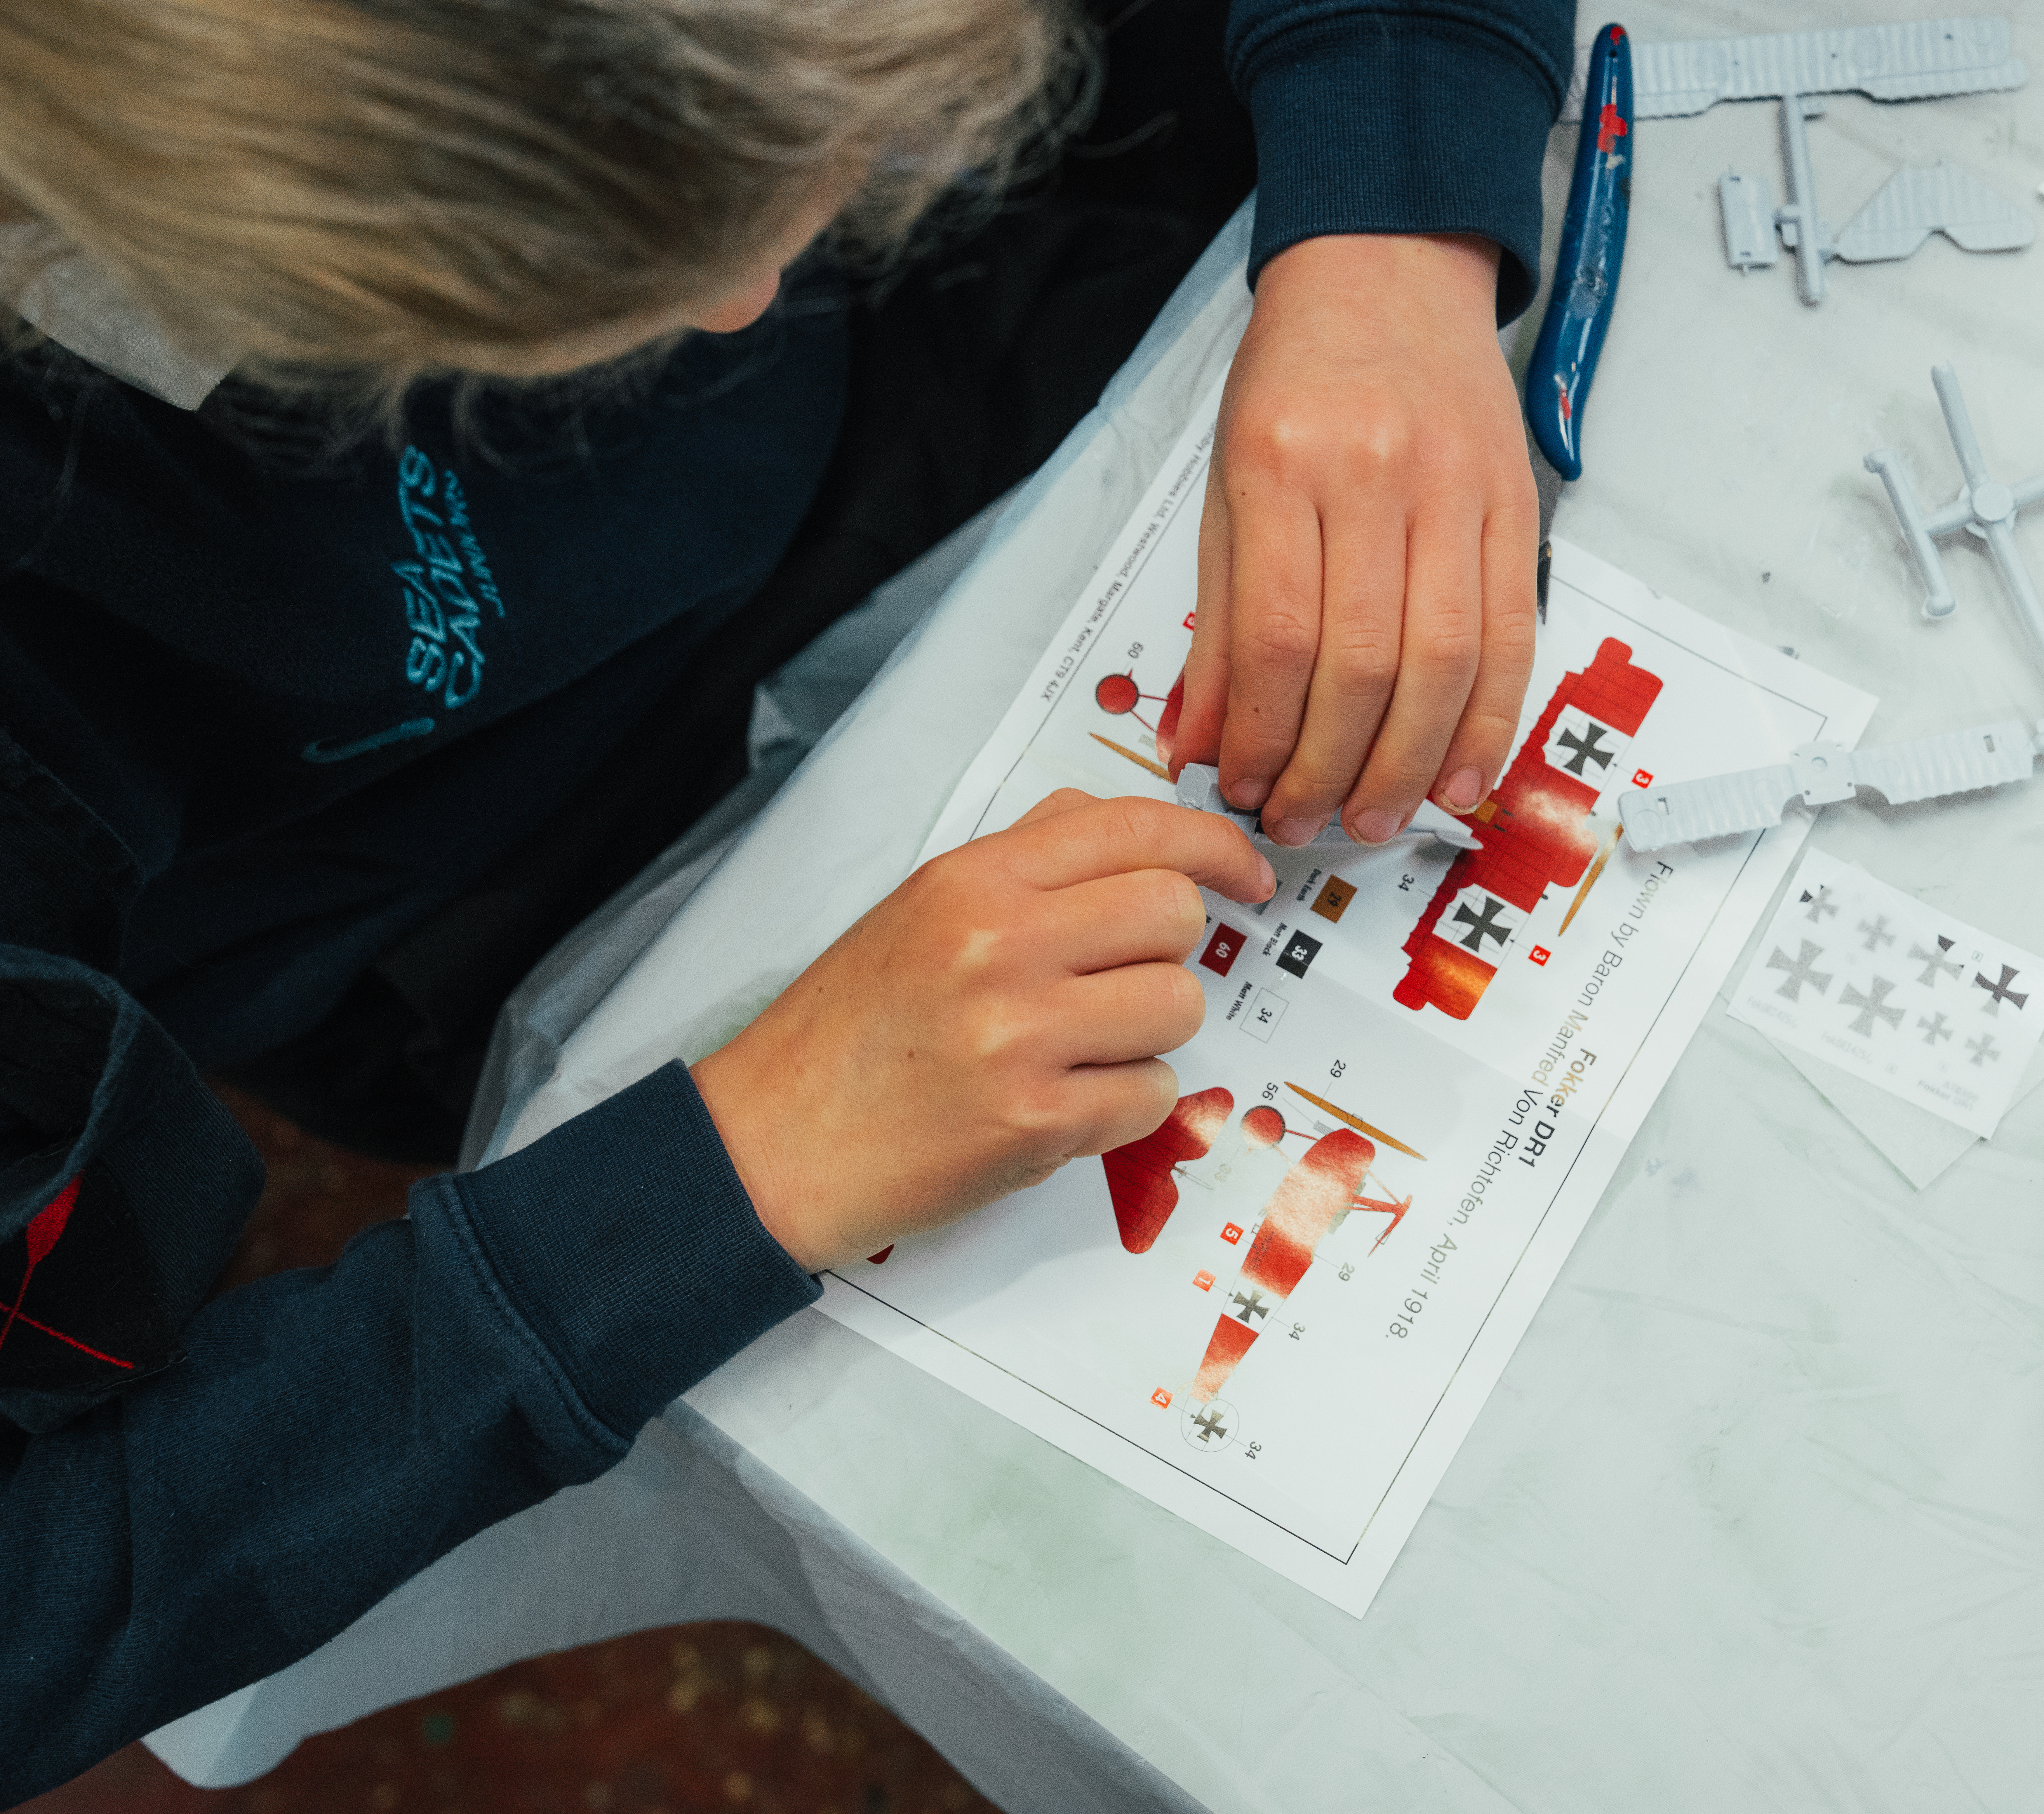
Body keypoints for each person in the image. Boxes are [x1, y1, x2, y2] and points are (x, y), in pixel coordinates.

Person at [0, 0, 1570, 1794]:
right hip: (548, 876)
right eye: (632, 250)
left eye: (860, 142)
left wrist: (1391, 214)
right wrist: (730, 1166)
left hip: (1005, 359)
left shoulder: (809, 223)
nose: (759, 287)